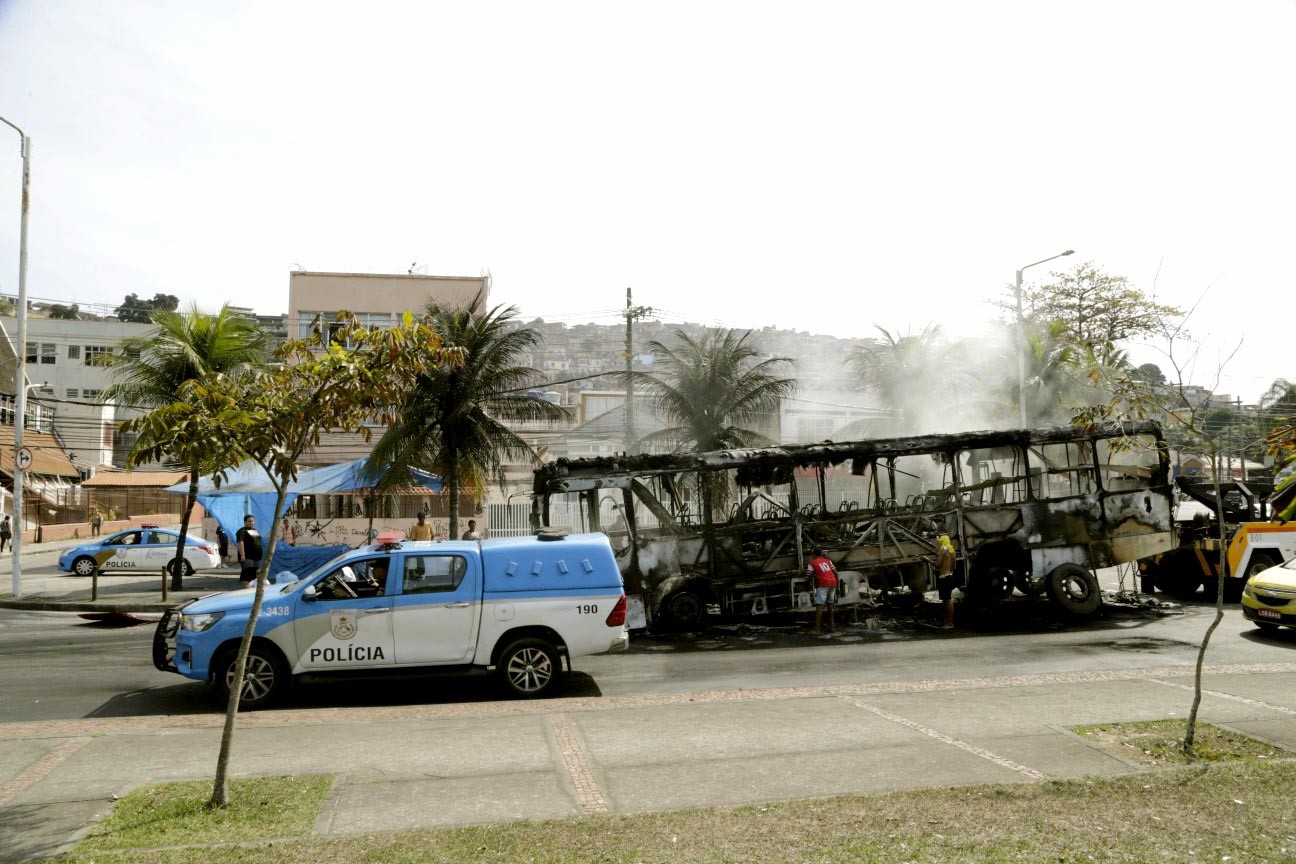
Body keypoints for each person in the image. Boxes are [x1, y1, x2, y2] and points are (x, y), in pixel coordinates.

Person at [926, 534, 958, 629]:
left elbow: (937, 564)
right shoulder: (952, 551)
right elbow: (954, 567)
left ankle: (949, 624)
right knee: (947, 600)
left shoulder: (943, 550)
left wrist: (927, 560)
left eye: (940, 541)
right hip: (949, 576)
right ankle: (948, 622)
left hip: (944, 578)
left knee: (947, 600)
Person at [806, 546, 839, 635]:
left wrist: (805, 576)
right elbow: (836, 573)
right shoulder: (828, 561)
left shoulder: (812, 563)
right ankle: (832, 627)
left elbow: (807, 577)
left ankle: (817, 630)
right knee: (830, 605)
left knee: (819, 607)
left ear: (813, 554)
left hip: (824, 584)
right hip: (833, 582)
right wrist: (838, 587)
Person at [236, 515, 263, 589]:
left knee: (255, 574)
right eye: (249, 521)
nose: (251, 523)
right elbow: (240, 543)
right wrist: (242, 555)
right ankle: (247, 589)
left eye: (252, 521)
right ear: (245, 522)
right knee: (247, 574)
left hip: (256, 557)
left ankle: (253, 589)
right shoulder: (242, 531)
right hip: (247, 557)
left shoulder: (255, 530)